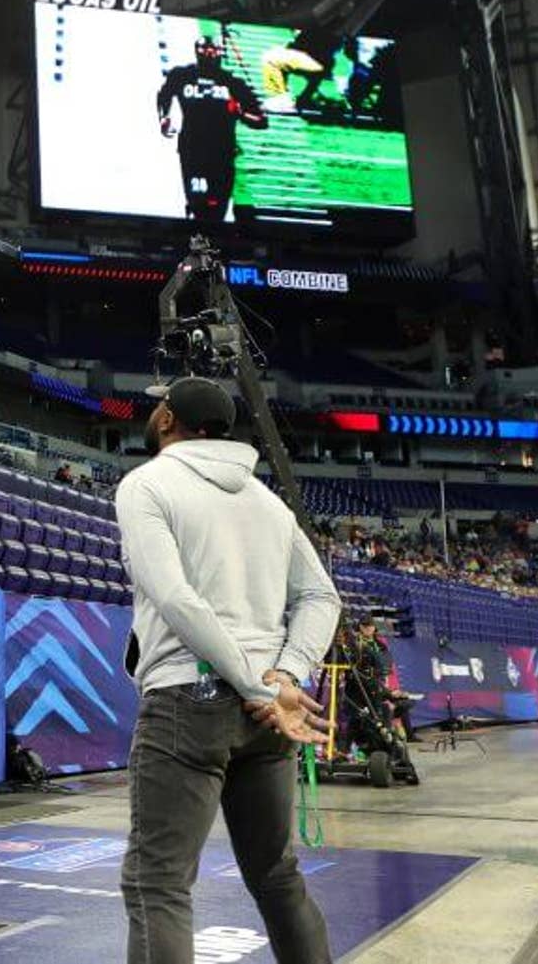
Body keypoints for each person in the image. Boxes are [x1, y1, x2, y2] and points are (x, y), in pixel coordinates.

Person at [117, 376, 342, 964]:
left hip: (188, 702)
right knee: (276, 875)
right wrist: (283, 679)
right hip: (266, 716)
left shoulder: (146, 484)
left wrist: (254, 683)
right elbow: (323, 597)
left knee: (158, 884)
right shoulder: (269, 503)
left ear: (168, 419)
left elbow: (176, 597)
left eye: (157, 404)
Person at [154, 31, 269, 224]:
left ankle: (214, 245)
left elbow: (261, 121)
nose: (209, 53)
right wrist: (163, 118)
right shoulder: (181, 75)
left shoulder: (234, 83)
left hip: (222, 154)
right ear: (197, 51)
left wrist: (240, 113)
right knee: (198, 204)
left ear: (220, 53)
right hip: (193, 151)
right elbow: (163, 95)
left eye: (213, 49)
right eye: (204, 49)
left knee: (218, 207)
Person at [355, 617, 420, 743]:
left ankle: (409, 735)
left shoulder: (380, 645)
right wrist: (388, 694)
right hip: (366, 690)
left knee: (405, 701)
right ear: (360, 627)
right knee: (387, 705)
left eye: (370, 625)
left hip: (379, 687)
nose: (368, 628)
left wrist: (392, 692)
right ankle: (386, 737)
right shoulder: (357, 645)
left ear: (374, 628)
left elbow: (386, 668)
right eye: (365, 625)